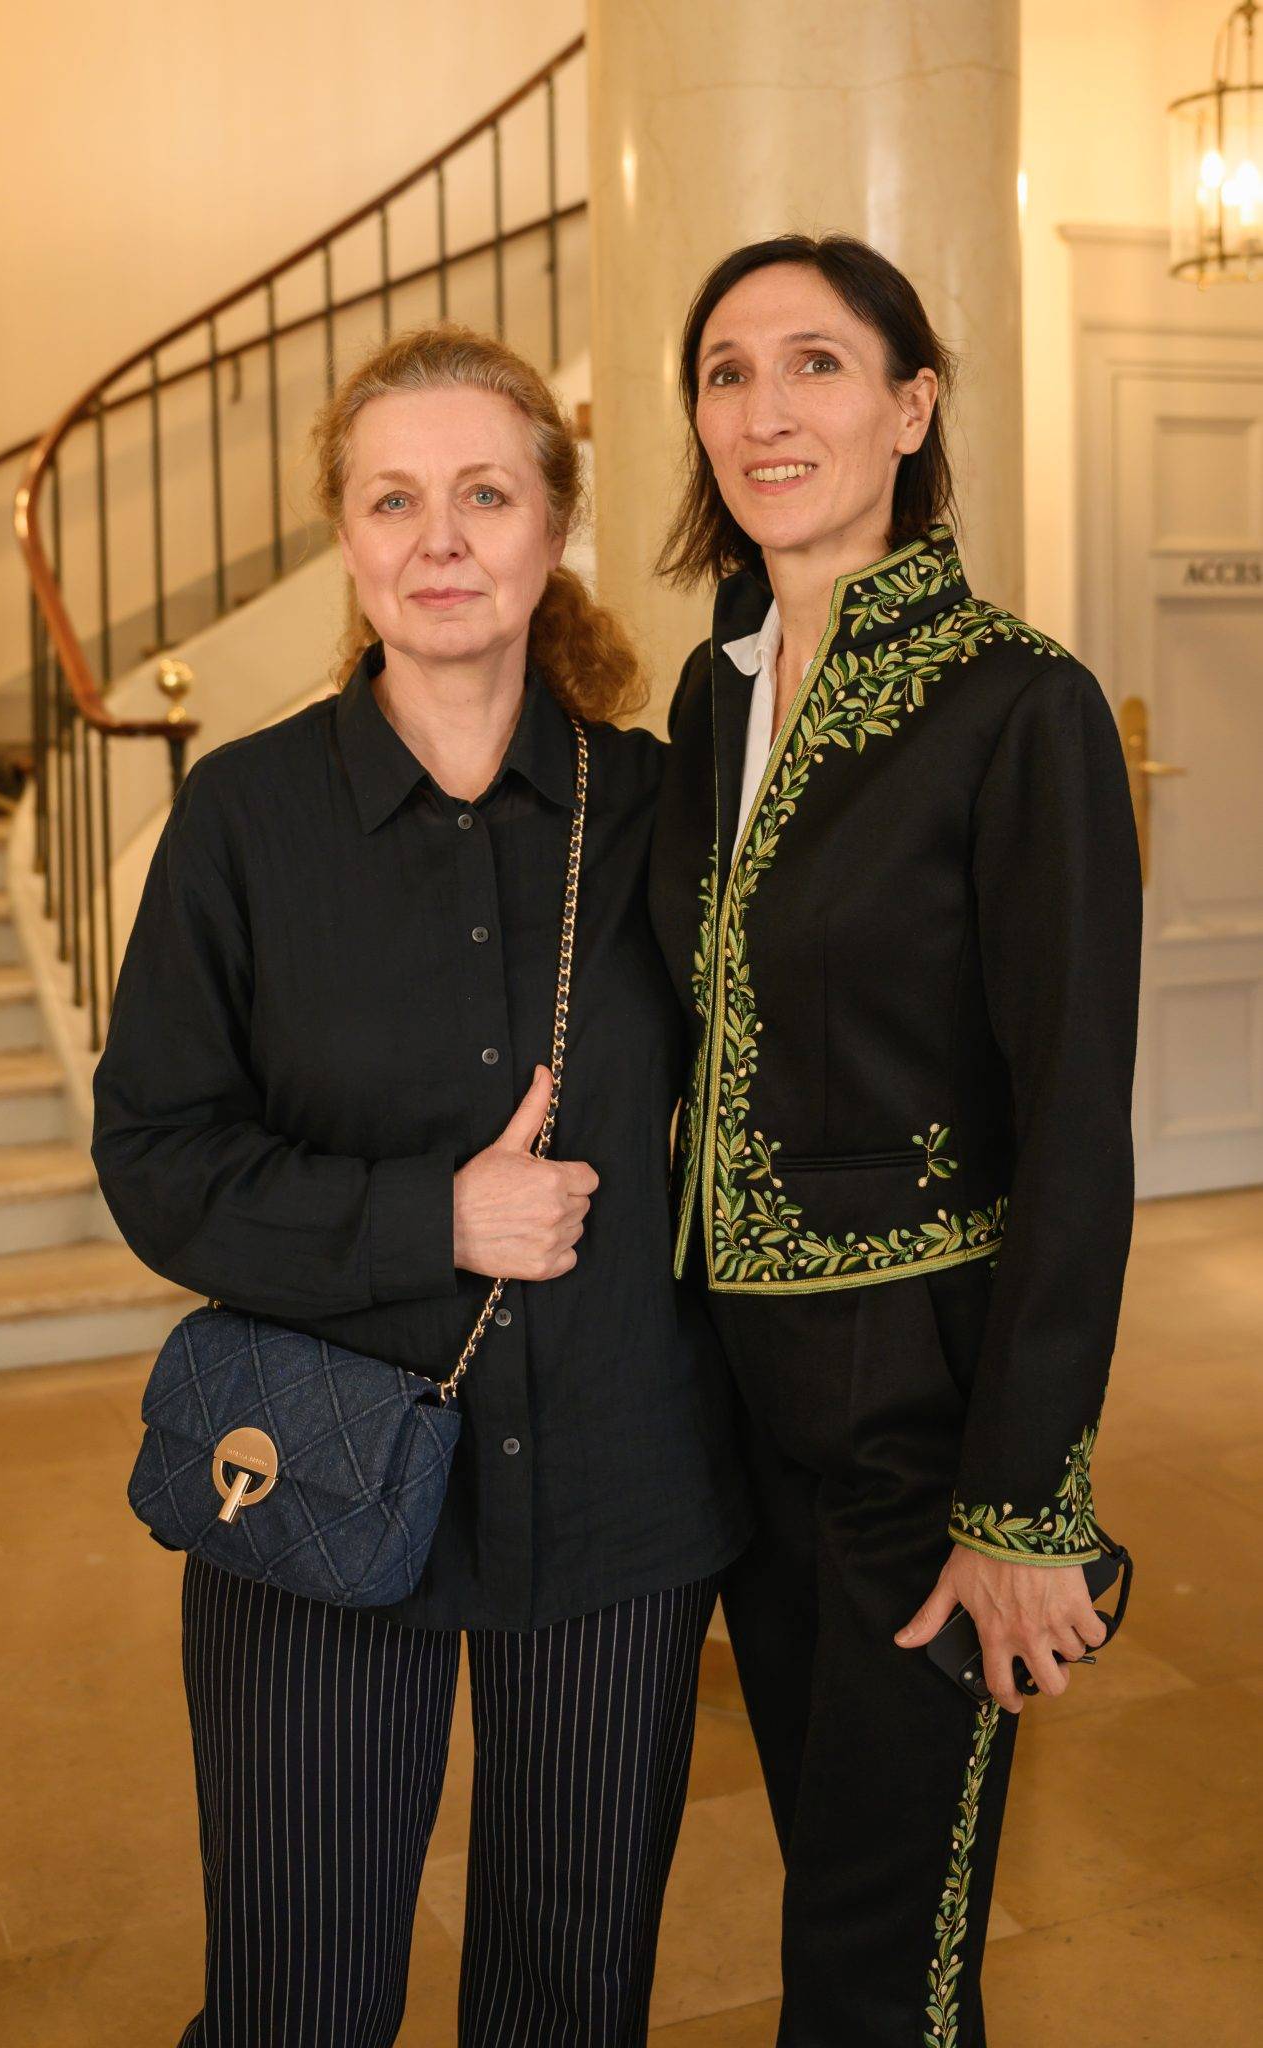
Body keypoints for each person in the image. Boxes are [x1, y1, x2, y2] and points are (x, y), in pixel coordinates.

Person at [91, 323, 750, 2048]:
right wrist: (431, 1220)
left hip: (616, 1491)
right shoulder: (237, 821)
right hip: (305, 1479)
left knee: (571, 1988)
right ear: (347, 537)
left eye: (482, 493)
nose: (438, 537)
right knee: (297, 1997)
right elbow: (154, 1159)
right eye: (393, 498)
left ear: (551, 530)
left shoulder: (667, 812)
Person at [647, 234, 1142, 2047]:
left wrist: (1025, 1503)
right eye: (724, 372)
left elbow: (1075, 1121)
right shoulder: (707, 702)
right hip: (737, 1397)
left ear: (909, 405)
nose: (763, 410)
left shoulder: (1018, 702)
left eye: (816, 364)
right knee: (838, 1876)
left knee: (880, 1951)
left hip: (915, 1408)